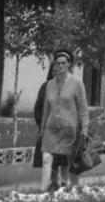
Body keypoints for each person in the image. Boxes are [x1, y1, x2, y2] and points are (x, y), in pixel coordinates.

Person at [37, 50, 88, 192]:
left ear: (69, 64)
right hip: (51, 128)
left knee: (71, 160)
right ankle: (43, 189)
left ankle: (72, 187)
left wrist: (85, 128)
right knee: (47, 157)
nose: (60, 66)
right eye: (57, 63)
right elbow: (46, 109)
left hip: (69, 129)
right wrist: (42, 128)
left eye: (63, 63)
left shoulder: (77, 83)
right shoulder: (50, 85)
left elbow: (83, 108)